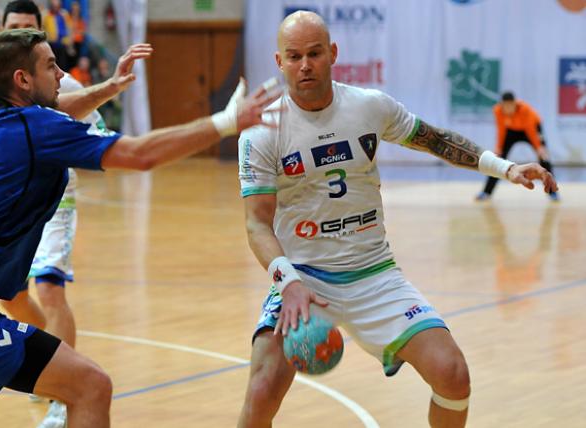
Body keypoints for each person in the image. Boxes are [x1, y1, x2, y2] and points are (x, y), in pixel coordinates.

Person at [0, 27, 279, 428]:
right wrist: (226, 122)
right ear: (22, 79)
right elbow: (139, 155)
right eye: (50, 66)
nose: (63, 73)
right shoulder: (36, 130)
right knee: (91, 386)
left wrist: (109, 88)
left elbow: (59, 107)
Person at [236, 11, 557, 428]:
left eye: (315, 53)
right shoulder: (262, 132)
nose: (305, 65)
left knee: (453, 374)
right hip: (303, 277)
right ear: (279, 62)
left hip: (374, 273)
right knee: (263, 390)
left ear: (333, 53)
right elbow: (257, 224)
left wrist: (505, 168)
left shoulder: (369, 107)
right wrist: (289, 283)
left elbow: (435, 140)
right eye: (294, 56)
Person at [0, 2, 149, 425]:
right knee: (10, 297)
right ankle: (51, 361)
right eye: (13, 28)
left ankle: (61, 396)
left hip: (54, 198)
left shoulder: (60, 80)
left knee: (50, 288)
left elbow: (97, 130)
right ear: (0, 32)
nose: (20, 35)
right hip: (7, 202)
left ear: (41, 33)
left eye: (28, 28)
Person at [476, 91, 559, 201]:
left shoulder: (524, 109)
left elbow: (530, 129)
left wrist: (539, 147)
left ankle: (552, 191)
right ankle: (486, 192)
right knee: (497, 159)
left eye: (510, 106)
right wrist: (499, 147)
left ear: (515, 103)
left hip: (532, 129)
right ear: (502, 105)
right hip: (511, 131)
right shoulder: (497, 110)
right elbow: (501, 129)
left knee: (544, 157)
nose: (508, 109)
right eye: (505, 106)